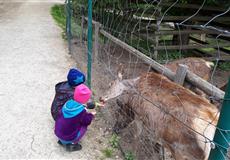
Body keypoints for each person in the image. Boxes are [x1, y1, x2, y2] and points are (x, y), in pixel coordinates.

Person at [54, 84, 96, 151]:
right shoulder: (82, 112)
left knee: (66, 123)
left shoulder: (67, 103)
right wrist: (91, 115)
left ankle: (61, 141)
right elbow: (87, 121)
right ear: (85, 101)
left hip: (58, 133)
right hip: (68, 138)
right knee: (84, 127)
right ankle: (72, 144)